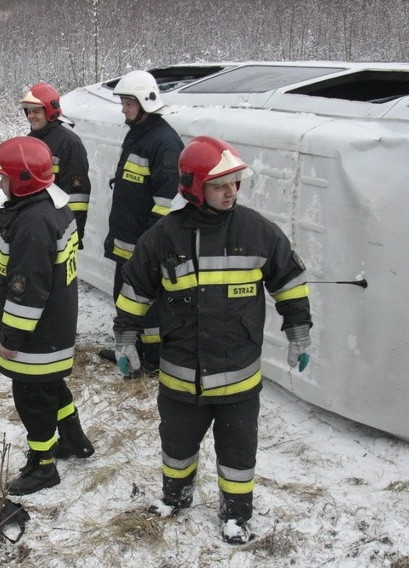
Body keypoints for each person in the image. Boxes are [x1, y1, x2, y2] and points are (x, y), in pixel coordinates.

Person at [113, 136, 313, 544]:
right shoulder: (163, 237)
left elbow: (289, 283)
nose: (231, 192)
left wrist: (299, 333)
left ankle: (236, 515)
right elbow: (135, 290)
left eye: (235, 182)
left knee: (238, 454)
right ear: (193, 186)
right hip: (180, 376)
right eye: (220, 184)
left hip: (238, 379)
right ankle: (176, 497)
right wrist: (125, 338)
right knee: (176, 444)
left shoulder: (257, 231)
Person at [0, 136, 94, 496]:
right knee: (49, 387)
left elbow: (25, 287)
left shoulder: (33, 221)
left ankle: (43, 465)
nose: (0, 183)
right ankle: (76, 441)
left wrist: (10, 338)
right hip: (52, 327)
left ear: (24, 180)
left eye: (4, 177)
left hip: (36, 333)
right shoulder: (48, 205)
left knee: (32, 397)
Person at [103, 70, 185, 376]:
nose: (123, 108)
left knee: (147, 307)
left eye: (128, 103)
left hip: (143, 247)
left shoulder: (165, 143)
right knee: (124, 301)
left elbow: (166, 203)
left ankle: (151, 362)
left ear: (145, 103)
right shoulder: (138, 134)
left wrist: (147, 248)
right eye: (123, 102)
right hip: (127, 242)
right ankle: (130, 352)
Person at [19, 82, 91, 248]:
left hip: (57, 230)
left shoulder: (69, 144)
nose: (31, 116)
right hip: (33, 227)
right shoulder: (30, 140)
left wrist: (72, 235)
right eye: (28, 111)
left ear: (50, 111)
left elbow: (77, 198)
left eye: (36, 111)